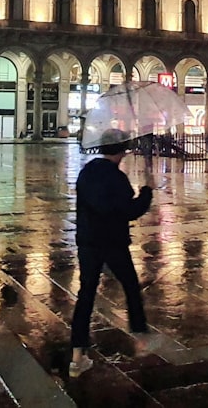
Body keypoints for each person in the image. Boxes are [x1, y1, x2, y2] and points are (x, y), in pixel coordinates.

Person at [70, 129, 155, 378]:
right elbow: (130, 210)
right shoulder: (116, 178)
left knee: (85, 295)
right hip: (113, 243)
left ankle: (77, 357)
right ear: (121, 150)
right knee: (130, 285)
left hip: (87, 242)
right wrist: (147, 192)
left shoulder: (86, 172)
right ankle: (140, 338)